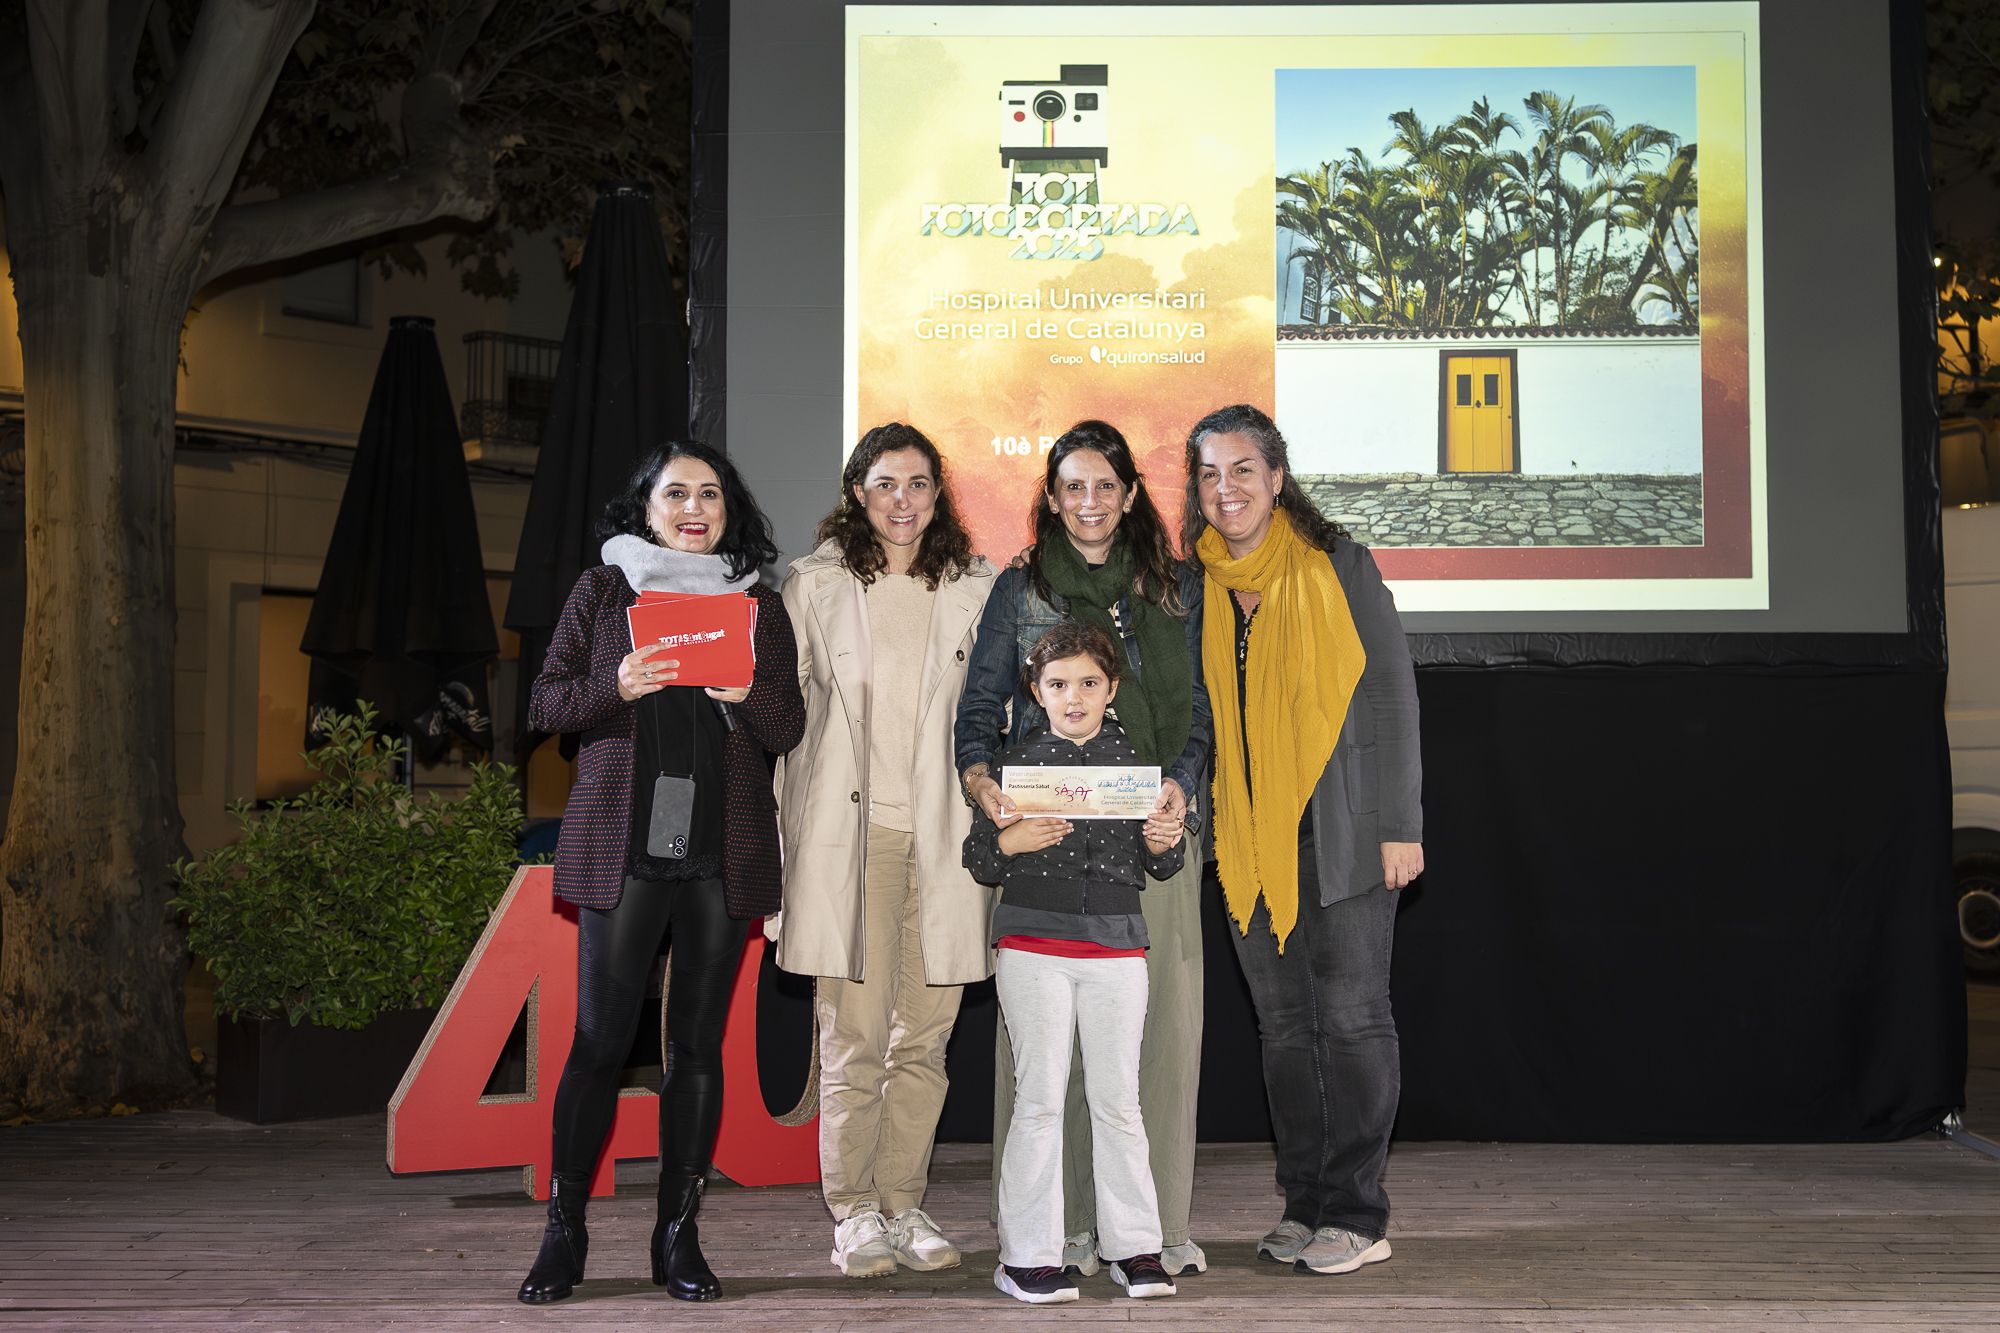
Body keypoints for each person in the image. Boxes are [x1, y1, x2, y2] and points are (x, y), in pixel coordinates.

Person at [517, 441, 805, 1305]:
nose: (693, 506)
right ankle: (564, 1231)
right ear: (645, 508)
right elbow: (545, 704)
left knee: (696, 1050)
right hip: (624, 846)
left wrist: (745, 689)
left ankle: (678, 1233)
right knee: (601, 1043)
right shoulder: (604, 590)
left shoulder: (759, 604)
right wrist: (619, 682)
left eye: (710, 494)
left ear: (729, 511)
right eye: (675, 492)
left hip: (725, 851)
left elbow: (786, 725)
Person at [953, 419, 1212, 1277]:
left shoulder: (1173, 587)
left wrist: (1176, 789)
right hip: (1043, 846)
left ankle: (1151, 1232)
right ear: (1052, 498)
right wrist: (994, 806)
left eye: (1106, 485)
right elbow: (978, 714)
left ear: (1131, 494)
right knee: (1040, 1071)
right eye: (1073, 486)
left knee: (1151, 1051)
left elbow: (1199, 711)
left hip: (1150, 832)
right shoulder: (1019, 587)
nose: (1090, 501)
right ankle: (1048, 1237)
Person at [1181, 403, 1424, 1276]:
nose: (1226, 487)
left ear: (1277, 478)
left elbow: (1394, 696)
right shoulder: (1196, 585)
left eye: (1243, 468)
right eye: (1209, 473)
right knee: (1284, 1027)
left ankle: (1358, 1212)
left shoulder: (1339, 566)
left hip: (1348, 824)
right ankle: (1305, 1203)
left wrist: (1402, 825)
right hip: (1250, 839)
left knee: (1353, 1018)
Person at [774, 422, 997, 1277]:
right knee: (854, 1036)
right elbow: (780, 717)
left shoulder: (980, 588)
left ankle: (905, 1202)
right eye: (884, 484)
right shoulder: (813, 585)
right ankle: (854, 1210)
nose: (901, 501)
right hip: (848, 838)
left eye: (917, 485)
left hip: (947, 839)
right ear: (856, 493)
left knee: (927, 1038)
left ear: (939, 495)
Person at [965, 620, 1187, 1306]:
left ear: (1111, 688)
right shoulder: (1016, 767)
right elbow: (979, 859)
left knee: (1119, 1102)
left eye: (1089, 682)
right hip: (1034, 948)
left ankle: (1134, 1248)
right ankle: (1027, 1256)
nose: (1075, 696)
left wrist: (1163, 837)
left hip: (1118, 949)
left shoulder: (1135, 767)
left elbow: (1164, 860)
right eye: (1059, 684)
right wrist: (1010, 837)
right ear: (1037, 689)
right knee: (1039, 1099)